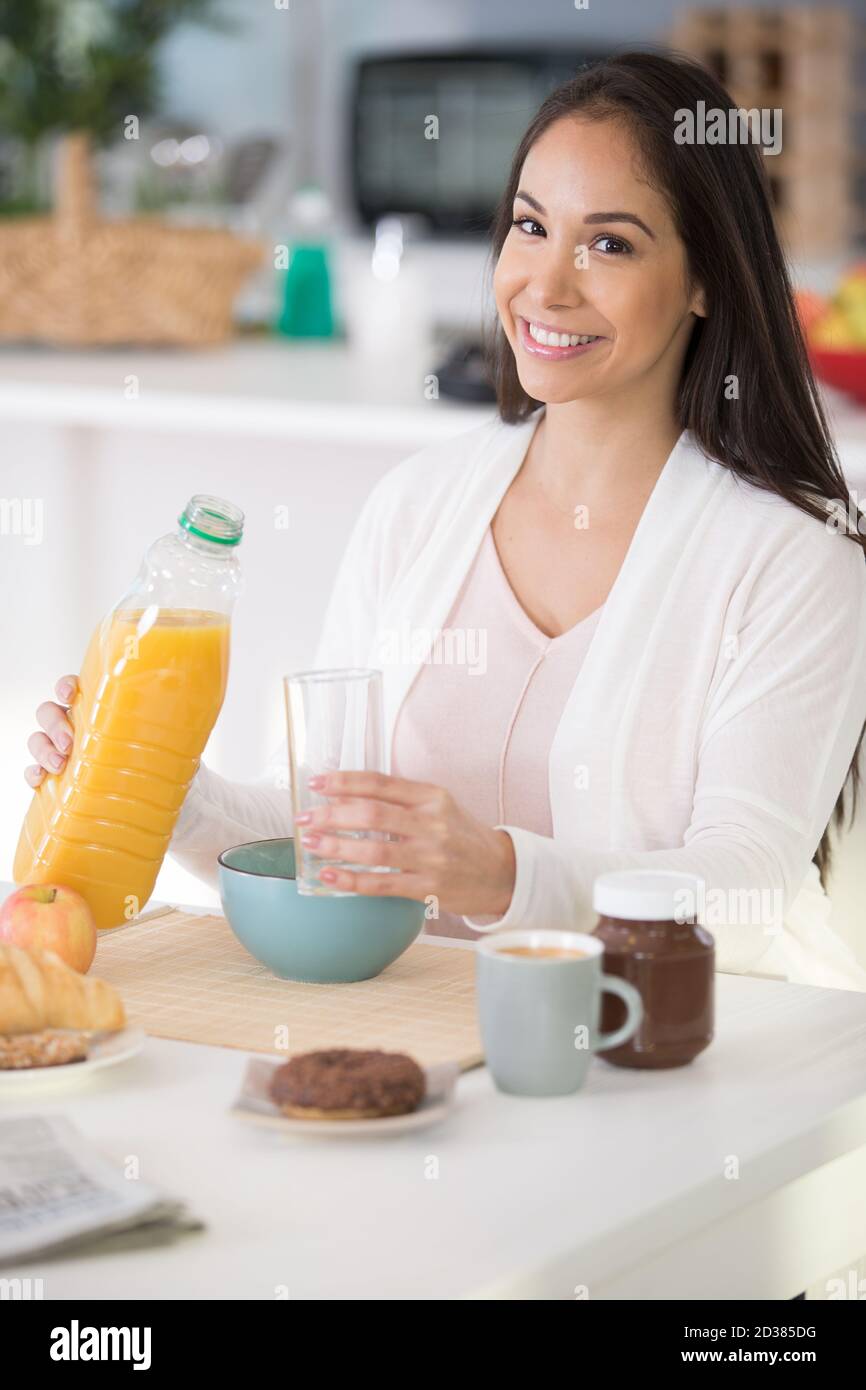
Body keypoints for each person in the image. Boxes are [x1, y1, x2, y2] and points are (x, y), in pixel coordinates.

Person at [24, 52, 866, 989]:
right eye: (531, 227)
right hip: (410, 1055)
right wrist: (164, 794)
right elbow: (328, 832)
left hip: (641, 1079)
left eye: (612, 244)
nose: (548, 285)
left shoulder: (793, 559)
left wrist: (502, 874)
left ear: (706, 280)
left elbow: (742, 897)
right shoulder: (420, 505)